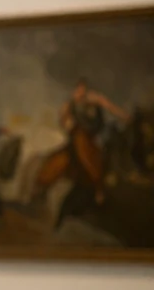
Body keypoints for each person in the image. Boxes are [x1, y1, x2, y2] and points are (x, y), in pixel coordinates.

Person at [36, 77, 130, 207]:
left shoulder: (93, 99)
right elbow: (63, 119)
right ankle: (97, 187)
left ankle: (104, 183)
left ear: (85, 90)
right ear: (75, 90)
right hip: (79, 136)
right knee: (76, 150)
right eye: (78, 90)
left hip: (95, 135)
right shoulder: (70, 103)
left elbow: (109, 107)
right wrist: (67, 123)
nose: (80, 92)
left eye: (82, 90)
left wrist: (125, 116)